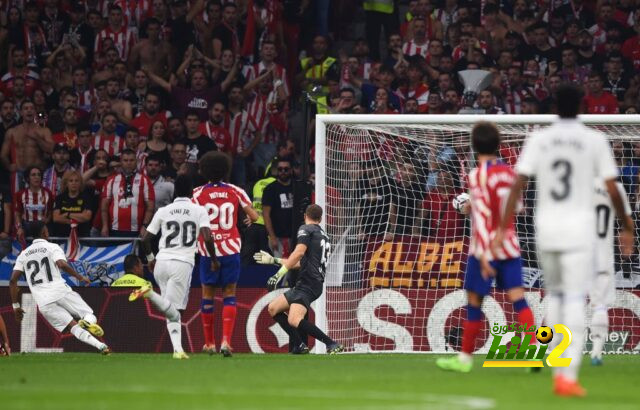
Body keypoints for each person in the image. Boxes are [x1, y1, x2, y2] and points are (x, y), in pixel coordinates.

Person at [496, 84, 634, 396]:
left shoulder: (540, 138)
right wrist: (626, 226)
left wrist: (503, 228)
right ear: (583, 106)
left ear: (554, 106)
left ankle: (548, 353)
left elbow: (518, 184)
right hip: (579, 229)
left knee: (554, 295)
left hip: (546, 227)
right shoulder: (594, 140)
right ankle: (566, 375)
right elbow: (613, 189)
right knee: (574, 298)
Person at [436, 122, 536, 373]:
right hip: (510, 245)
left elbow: (482, 216)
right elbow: (514, 209)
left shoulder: (476, 175)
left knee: (474, 300)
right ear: (498, 145)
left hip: (486, 247)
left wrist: (482, 253)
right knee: (518, 298)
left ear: (475, 146)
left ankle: (465, 360)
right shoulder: (511, 174)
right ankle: (533, 352)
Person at [130, 174, 217, 359]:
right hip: (182, 262)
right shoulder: (198, 210)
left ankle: (178, 350)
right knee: (176, 310)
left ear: (175, 190)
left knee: (171, 309)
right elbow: (207, 237)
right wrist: (214, 259)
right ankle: (148, 293)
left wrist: (151, 258)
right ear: (192, 190)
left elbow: (146, 238)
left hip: (161, 262)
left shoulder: (164, 210)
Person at [192, 151, 258, 356]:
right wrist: (249, 220)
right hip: (230, 248)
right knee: (229, 295)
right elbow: (254, 215)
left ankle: (209, 343)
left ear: (204, 170)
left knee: (207, 295)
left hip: (207, 249)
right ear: (226, 170)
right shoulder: (236, 190)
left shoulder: (197, 193)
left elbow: (195, 221)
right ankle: (226, 342)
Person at [9, 221, 111, 355]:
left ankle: (101, 346)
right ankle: (86, 322)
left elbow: (12, 281)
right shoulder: (52, 247)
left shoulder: (23, 255)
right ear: (44, 232)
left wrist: (16, 306)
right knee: (88, 314)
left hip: (43, 302)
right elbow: (61, 264)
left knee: (72, 327)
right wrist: (79, 277)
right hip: (60, 291)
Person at [257, 204, 343, 354]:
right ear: (320, 219)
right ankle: (300, 345)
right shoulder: (322, 234)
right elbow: (298, 263)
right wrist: (273, 260)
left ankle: (331, 343)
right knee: (273, 308)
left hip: (309, 283)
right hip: (309, 283)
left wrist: (278, 274)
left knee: (293, 320)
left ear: (305, 216)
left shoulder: (305, 229)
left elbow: (298, 253)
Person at [589, 178, 632, 366]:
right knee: (600, 305)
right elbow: (627, 221)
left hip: (577, 251)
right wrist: (628, 239)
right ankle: (596, 354)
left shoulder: (580, 184)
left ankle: (551, 349)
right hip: (602, 254)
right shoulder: (616, 188)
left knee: (566, 299)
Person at [100, 149, 155, 238]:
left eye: (131, 160)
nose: (128, 163)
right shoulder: (111, 180)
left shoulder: (144, 180)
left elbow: (150, 207)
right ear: (121, 162)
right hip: (114, 229)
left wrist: (145, 226)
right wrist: (105, 226)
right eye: (125, 160)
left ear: (136, 161)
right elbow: (104, 206)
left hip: (137, 230)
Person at [262, 157, 294, 257]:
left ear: (291, 170)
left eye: (286, 169)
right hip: (278, 237)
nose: (283, 172)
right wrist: (272, 237)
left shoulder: (297, 186)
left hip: (295, 236)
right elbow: (266, 214)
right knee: (282, 268)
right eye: (280, 169)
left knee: (295, 269)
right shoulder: (270, 189)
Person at [51, 170, 94, 238]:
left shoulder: (86, 198)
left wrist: (67, 214)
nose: (74, 183)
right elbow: (56, 218)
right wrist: (76, 220)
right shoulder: (60, 198)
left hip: (82, 237)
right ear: (66, 183)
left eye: (76, 181)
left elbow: (87, 217)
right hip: (62, 237)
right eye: (71, 181)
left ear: (80, 183)